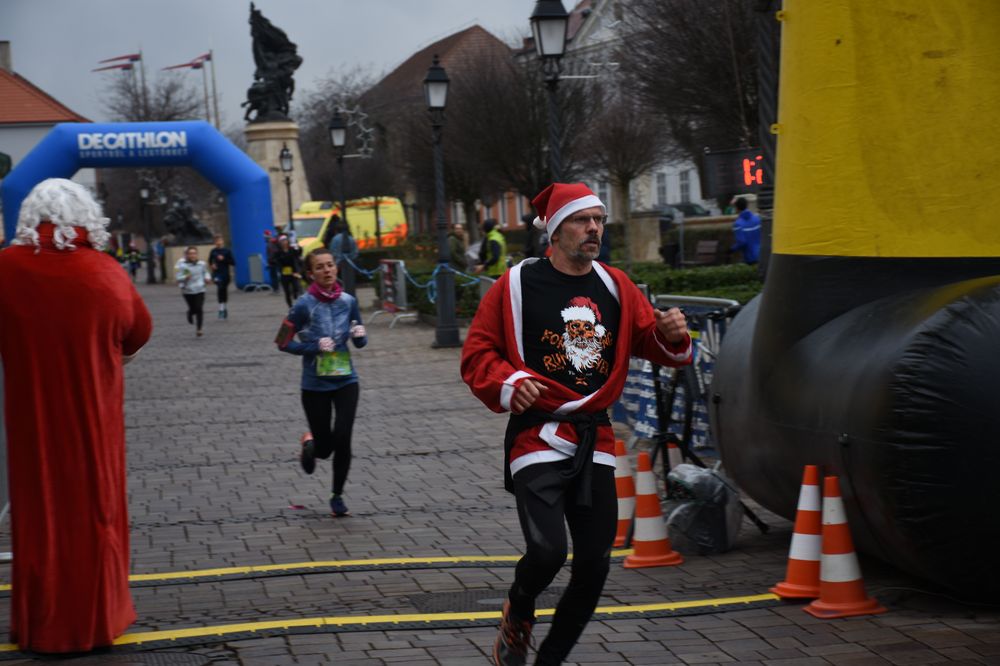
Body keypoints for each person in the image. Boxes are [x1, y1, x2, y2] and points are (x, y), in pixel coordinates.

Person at [461, 182, 692, 666]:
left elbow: (649, 341)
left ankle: (549, 660)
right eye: (582, 220)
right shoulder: (516, 284)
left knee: (593, 565)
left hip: (595, 436)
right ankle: (519, 607)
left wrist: (671, 335)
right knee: (547, 553)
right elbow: (477, 354)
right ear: (555, 229)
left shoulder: (616, 285)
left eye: (599, 220)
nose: (594, 229)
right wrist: (510, 382)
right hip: (537, 434)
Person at [0, 178, 152, 653]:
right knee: (95, 515)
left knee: (39, 515)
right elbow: (139, 332)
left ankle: (41, 623)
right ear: (87, 216)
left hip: (32, 421)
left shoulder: (6, 269)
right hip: (94, 421)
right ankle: (98, 617)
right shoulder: (106, 272)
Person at [277, 248, 368, 517]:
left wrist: (359, 335)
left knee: (343, 437)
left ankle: (336, 495)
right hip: (314, 385)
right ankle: (311, 445)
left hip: (346, 380)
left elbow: (360, 341)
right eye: (320, 267)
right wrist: (314, 346)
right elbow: (282, 342)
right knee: (326, 448)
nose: (327, 270)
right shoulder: (302, 305)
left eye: (330, 265)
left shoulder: (349, 301)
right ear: (310, 274)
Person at [175, 245, 212, 337]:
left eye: (194, 253)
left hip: (200, 288)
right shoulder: (183, 266)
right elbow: (178, 277)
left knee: (199, 308)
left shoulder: (202, 264)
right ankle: (190, 312)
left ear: (197, 254)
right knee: (193, 308)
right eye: (190, 253)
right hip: (188, 290)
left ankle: (199, 329)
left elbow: (206, 273)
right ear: (187, 255)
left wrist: (207, 278)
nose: (192, 255)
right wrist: (185, 277)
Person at [208, 233, 236, 319]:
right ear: (214, 242)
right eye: (216, 241)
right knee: (219, 288)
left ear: (222, 241)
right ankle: (221, 308)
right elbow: (209, 261)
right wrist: (212, 265)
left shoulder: (227, 251)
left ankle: (224, 307)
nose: (218, 242)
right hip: (217, 274)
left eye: (219, 240)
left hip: (225, 274)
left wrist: (224, 259)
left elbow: (233, 262)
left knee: (224, 290)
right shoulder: (213, 251)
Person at [330, 219, 359, 296]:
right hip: (350, 265)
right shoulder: (351, 238)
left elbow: (332, 253)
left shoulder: (335, 239)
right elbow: (356, 253)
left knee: (339, 285)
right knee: (350, 284)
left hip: (338, 266)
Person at [730, 197, 762, 264]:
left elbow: (742, 242)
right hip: (761, 254)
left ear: (737, 208)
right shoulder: (757, 219)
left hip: (750, 257)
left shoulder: (738, 224)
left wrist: (731, 250)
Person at [275, 234, 303, 307]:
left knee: (296, 287)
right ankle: (290, 306)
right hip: (284, 273)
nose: (284, 242)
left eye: (285, 240)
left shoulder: (292, 249)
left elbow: (298, 253)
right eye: (282, 241)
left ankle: (295, 295)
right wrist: (279, 266)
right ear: (280, 243)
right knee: (287, 291)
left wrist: (298, 247)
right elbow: (276, 261)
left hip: (293, 272)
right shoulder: (278, 252)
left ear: (287, 241)